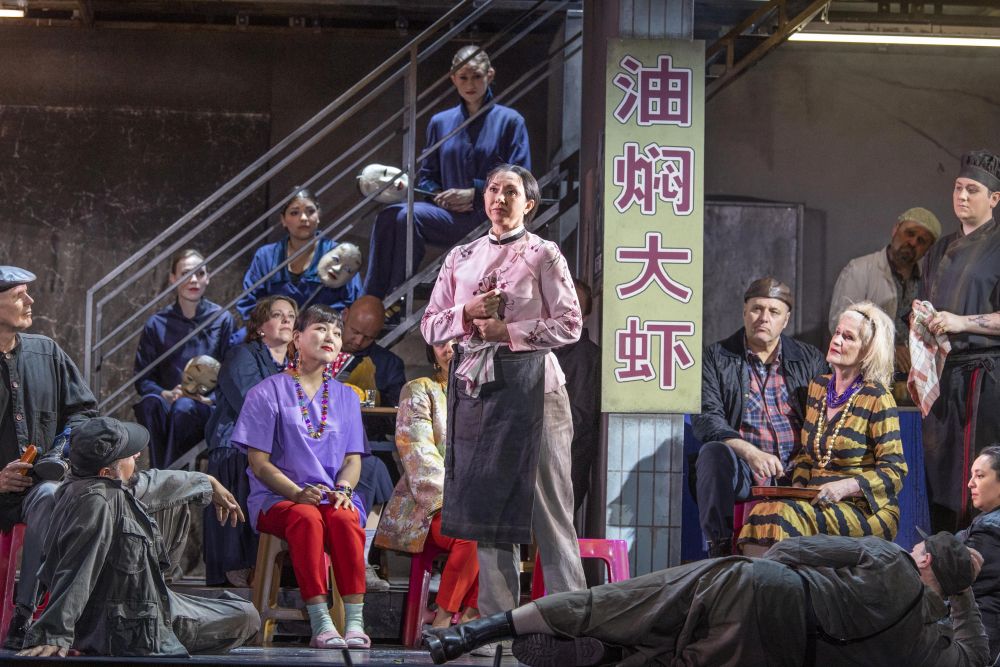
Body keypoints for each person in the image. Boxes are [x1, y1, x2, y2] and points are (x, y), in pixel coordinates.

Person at [421, 164, 586, 652]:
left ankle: (571, 622)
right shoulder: (461, 256)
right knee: (489, 514)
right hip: (480, 390)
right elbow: (430, 325)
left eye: (510, 192)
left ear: (528, 204)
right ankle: (496, 629)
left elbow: (571, 324)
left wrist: (508, 331)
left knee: (550, 508)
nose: (499, 198)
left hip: (537, 387)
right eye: (493, 190)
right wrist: (466, 314)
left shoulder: (543, 253)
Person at [422, 532, 989, 667]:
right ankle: (613, 655)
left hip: (767, 589)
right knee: (678, 656)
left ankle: (475, 632)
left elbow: (793, 548)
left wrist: (761, 578)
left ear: (923, 561)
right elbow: (979, 656)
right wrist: (962, 592)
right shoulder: (927, 647)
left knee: (625, 601)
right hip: (783, 652)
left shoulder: (889, 557)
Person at [16, 416, 259, 658]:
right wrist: (54, 632)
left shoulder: (82, 484)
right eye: (129, 455)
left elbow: (155, 482)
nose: (138, 455)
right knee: (247, 616)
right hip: (128, 627)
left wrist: (208, 481)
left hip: (132, 607)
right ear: (106, 472)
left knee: (176, 496)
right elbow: (78, 568)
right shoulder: (98, 502)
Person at [232, 304, 371, 649]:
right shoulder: (266, 392)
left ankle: (355, 623)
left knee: (345, 517)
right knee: (307, 518)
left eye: (336, 332)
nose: (330, 337)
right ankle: (321, 622)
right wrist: (295, 492)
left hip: (330, 495)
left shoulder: (346, 397)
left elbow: (352, 459)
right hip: (277, 498)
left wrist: (343, 489)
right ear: (297, 338)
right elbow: (259, 463)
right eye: (321, 329)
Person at [363, 45, 531, 300]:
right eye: (463, 77)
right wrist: (439, 196)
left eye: (476, 76)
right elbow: (427, 176)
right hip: (448, 215)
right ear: (453, 79)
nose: (470, 84)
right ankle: (374, 298)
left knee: (406, 216)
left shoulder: (511, 121)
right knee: (391, 216)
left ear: (490, 75)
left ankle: (395, 297)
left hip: (490, 218)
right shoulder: (440, 122)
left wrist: (475, 193)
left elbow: (521, 179)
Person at [738, 302, 907, 555]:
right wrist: (797, 489)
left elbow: (895, 471)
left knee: (784, 516)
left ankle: (778, 579)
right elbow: (807, 457)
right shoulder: (818, 387)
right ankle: (759, 579)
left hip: (864, 508)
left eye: (848, 337)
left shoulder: (877, 397)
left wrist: (845, 486)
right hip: (816, 500)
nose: (836, 340)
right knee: (762, 512)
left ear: (867, 351)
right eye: (837, 333)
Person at [0, 266, 98, 650]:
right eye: (19, 295)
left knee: (51, 495)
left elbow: (83, 412)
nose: (30, 301)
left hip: (35, 491)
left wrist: (61, 450)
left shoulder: (46, 352)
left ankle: (26, 614)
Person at [692, 277, 827, 557]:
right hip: (745, 472)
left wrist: (805, 468)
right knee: (712, 453)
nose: (764, 318)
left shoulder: (809, 359)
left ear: (786, 320)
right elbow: (707, 419)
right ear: (744, 312)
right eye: (756, 309)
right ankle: (720, 549)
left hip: (799, 471)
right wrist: (750, 453)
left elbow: (825, 419)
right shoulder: (717, 357)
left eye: (774, 311)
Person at [917, 149, 1000, 531]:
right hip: (943, 378)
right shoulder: (938, 249)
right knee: (941, 477)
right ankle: (942, 555)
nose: (962, 196)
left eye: (972, 190)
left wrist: (960, 321)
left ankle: (981, 553)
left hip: (985, 380)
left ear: (994, 198)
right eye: (957, 188)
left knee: (979, 476)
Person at [376, 340, 479, 628]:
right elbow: (418, 453)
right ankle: (444, 619)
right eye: (441, 342)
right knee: (473, 531)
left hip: (478, 503)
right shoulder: (419, 389)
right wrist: (459, 501)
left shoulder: (487, 392)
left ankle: (471, 618)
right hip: (430, 505)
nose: (451, 348)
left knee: (497, 528)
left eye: (459, 339)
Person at [202, 295, 297, 587]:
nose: (286, 320)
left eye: (291, 316)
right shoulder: (242, 355)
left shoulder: (297, 363)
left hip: (276, 445)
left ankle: (281, 566)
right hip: (236, 443)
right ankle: (237, 564)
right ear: (259, 327)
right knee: (247, 465)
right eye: (277, 315)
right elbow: (252, 403)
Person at [133, 249, 234, 469]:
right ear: (173, 278)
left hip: (205, 407)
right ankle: (161, 473)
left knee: (184, 406)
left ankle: (165, 480)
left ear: (208, 278)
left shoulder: (222, 319)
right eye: (186, 273)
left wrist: (209, 399)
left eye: (200, 273)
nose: (194, 279)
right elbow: (143, 379)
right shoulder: (156, 323)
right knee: (150, 404)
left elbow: (231, 375)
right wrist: (165, 394)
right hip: (170, 402)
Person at [236, 188, 362, 343]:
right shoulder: (266, 256)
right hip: (275, 332)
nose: (303, 218)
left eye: (310, 211)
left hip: (322, 335)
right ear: (283, 220)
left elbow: (354, 304)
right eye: (294, 213)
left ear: (318, 215)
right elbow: (248, 301)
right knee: (239, 340)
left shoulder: (340, 256)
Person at [828, 207, 940, 373]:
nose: (913, 242)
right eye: (910, 233)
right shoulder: (859, 269)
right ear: (895, 229)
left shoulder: (930, 281)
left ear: (928, 250)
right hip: (864, 371)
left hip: (911, 374)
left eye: (922, 241)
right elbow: (840, 323)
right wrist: (890, 349)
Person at [552, 278, 600, 511]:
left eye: (575, 308)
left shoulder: (588, 357)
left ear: (586, 317)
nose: (566, 313)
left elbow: (579, 419)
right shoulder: (537, 348)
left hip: (564, 472)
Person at [959, 444, 1000, 663]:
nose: (970, 483)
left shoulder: (990, 532)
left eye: (980, 476)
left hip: (981, 639)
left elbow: (957, 579)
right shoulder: (987, 522)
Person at [332, 294, 406, 407]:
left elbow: (397, 408)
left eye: (368, 337)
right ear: (345, 315)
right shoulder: (318, 350)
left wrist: (373, 398)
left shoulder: (390, 365)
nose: (358, 342)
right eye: (355, 332)